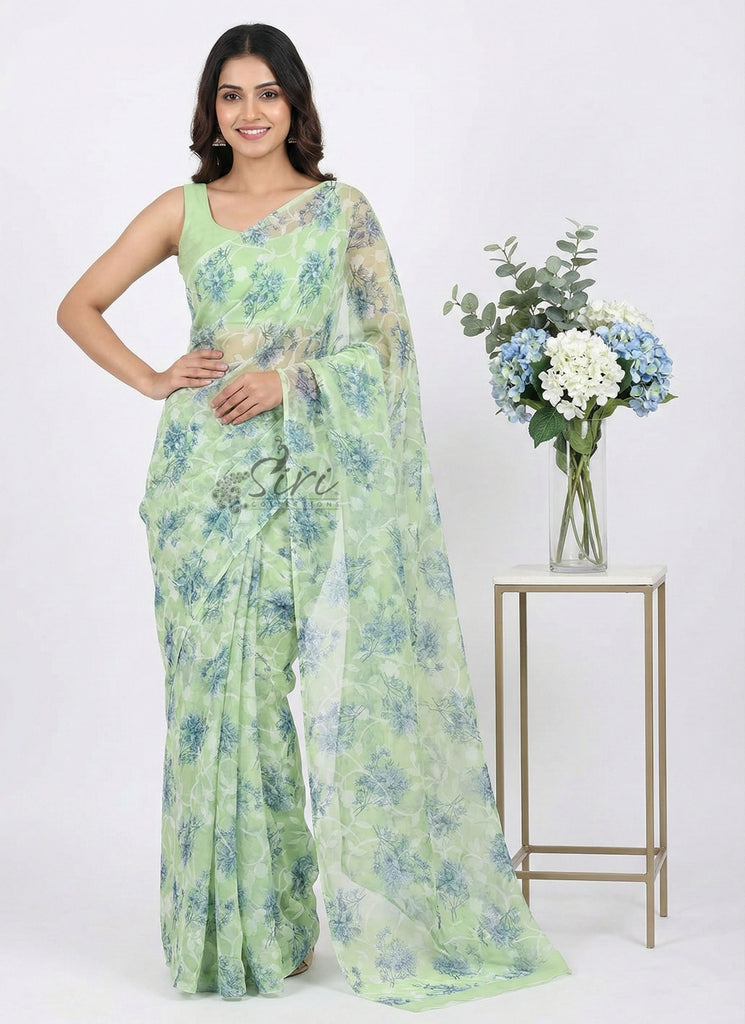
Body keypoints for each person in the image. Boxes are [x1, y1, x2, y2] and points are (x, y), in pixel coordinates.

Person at [57, 23, 568, 1010]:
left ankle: (297, 916)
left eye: (267, 93)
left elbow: (386, 349)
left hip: (309, 479)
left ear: (295, 103)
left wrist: (289, 380)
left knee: (302, 689)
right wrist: (155, 378)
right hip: (202, 489)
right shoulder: (181, 208)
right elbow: (80, 304)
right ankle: (241, 931)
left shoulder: (341, 212)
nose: (249, 112)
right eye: (230, 95)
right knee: (221, 704)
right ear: (210, 110)